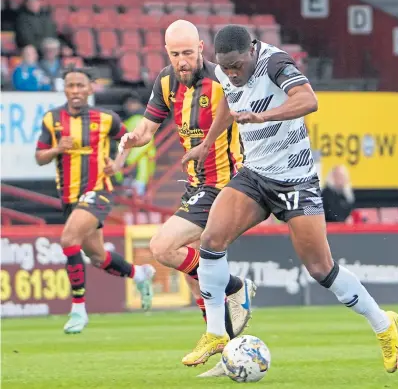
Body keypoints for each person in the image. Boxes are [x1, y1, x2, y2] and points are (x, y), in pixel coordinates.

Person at [181, 25, 398, 373]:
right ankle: (215, 333)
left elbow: (308, 99)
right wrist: (208, 143)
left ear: (252, 50)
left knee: (321, 269)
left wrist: (264, 115)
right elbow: (228, 99)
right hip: (255, 176)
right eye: (226, 68)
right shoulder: (226, 71)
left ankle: (383, 324)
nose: (233, 73)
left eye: (238, 65)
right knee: (210, 240)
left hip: (294, 179)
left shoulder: (274, 63)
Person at [115, 20, 256, 377]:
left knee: (163, 248)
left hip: (225, 185)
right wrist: (133, 139)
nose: (182, 61)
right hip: (196, 186)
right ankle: (225, 347)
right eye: (176, 54)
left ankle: (234, 288)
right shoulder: (165, 82)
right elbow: (148, 129)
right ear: (167, 52)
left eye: (188, 53)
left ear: (201, 49)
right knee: (196, 273)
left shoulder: (222, 80)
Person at [35, 65, 155, 334]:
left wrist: (118, 162)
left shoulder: (106, 118)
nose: (75, 91)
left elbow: (130, 139)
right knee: (98, 257)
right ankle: (140, 273)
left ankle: (78, 309)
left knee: (68, 240)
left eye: (80, 85)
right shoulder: (52, 119)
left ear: (90, 88)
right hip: (69, 197)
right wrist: (57, 148)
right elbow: (40, 156)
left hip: (98, 191)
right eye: (71, 86)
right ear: (64, 89)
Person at [114, 92, 156, 196]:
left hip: (136, 165)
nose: (128, 106)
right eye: (126, 103)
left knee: (136, 195)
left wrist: (127, 160)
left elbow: (142, 143)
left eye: (132, 102)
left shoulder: (140, 120)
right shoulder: (131, 120)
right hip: (131, 165)